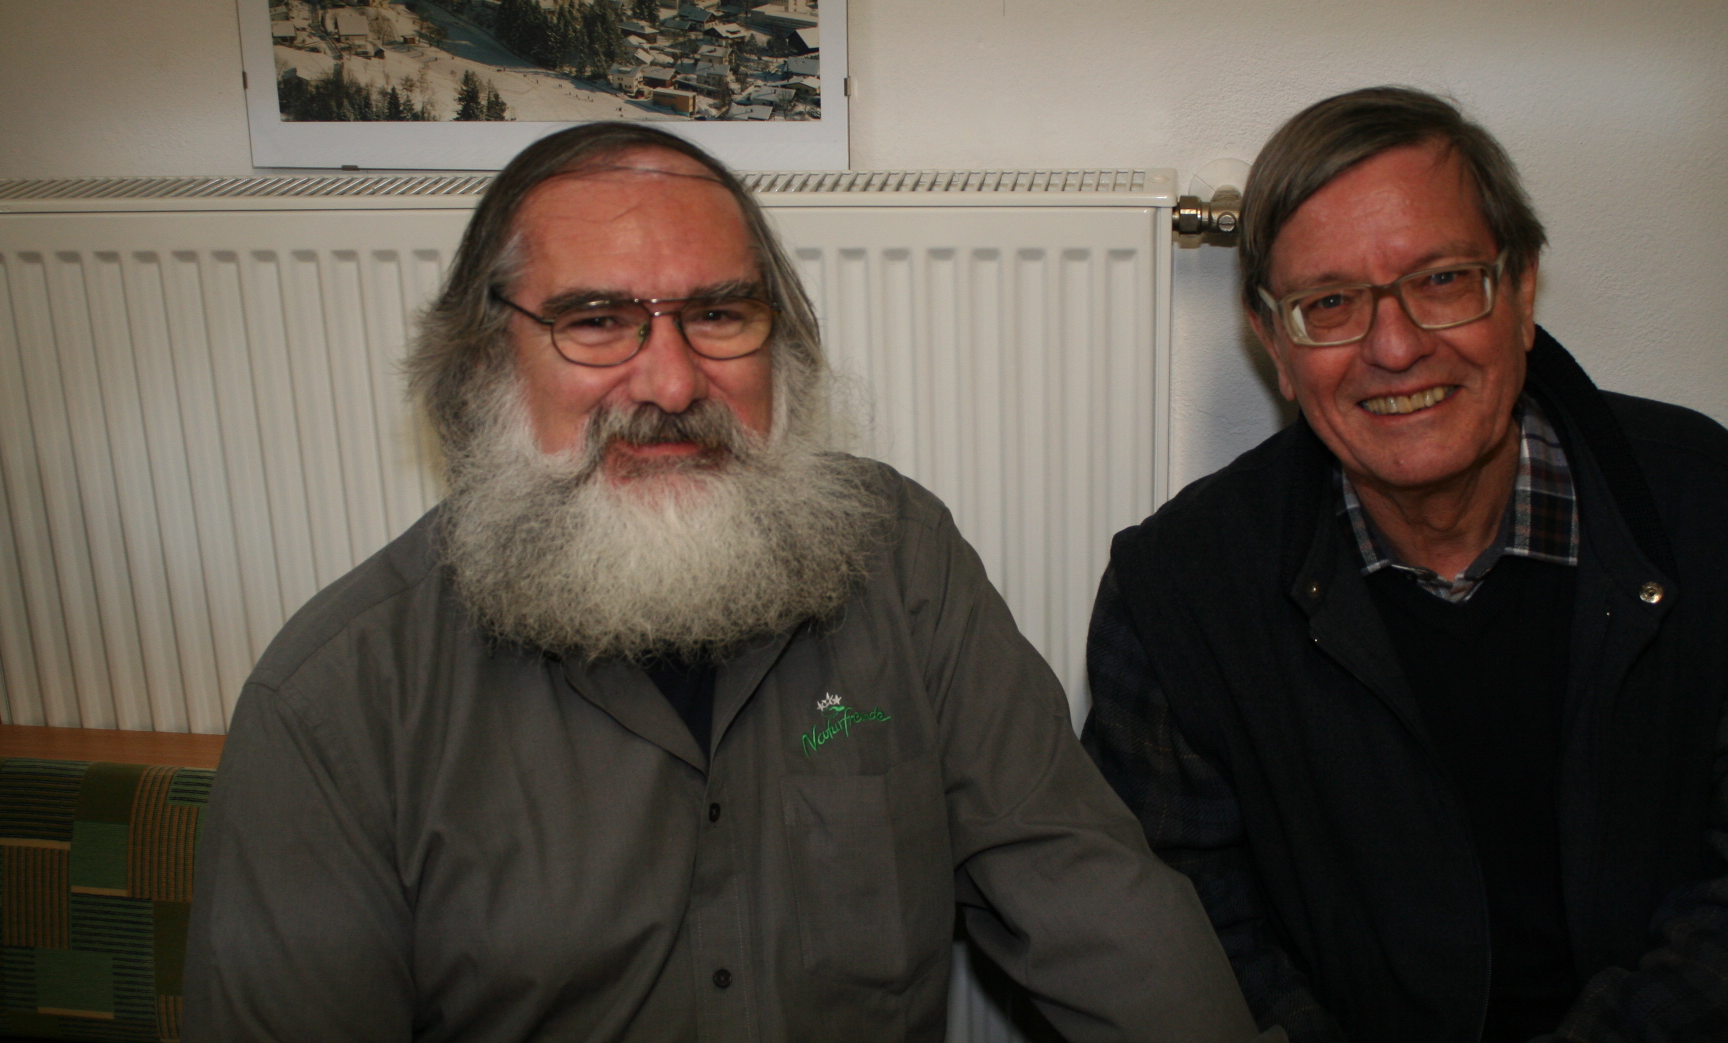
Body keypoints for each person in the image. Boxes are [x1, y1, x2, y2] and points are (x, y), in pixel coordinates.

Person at [184, 122, 1273, 1043]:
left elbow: (1085, 890)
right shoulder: (334, 707)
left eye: (718, 315)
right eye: (595, 321)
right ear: (483, 366)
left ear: (780, 349)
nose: (670, 382)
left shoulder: (901, 560)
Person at [1083, 86, 1728, 1043]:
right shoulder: (1175, 595)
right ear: (1275, 343)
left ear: (1521, 292)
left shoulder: (1707, 507)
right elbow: (1193, 936)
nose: (1395, 347)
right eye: (1329, 303)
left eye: (1442, 280)